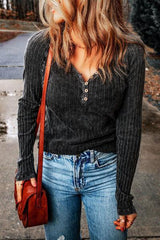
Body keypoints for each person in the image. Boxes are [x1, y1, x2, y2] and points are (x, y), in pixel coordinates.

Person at [15, 0, 146, 239]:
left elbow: (129, 127)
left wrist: (124, 195)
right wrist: (24, 168)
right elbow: (28, 107)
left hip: (106, 174)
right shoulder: (42, 46)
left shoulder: (130, 52)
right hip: (54, 173)